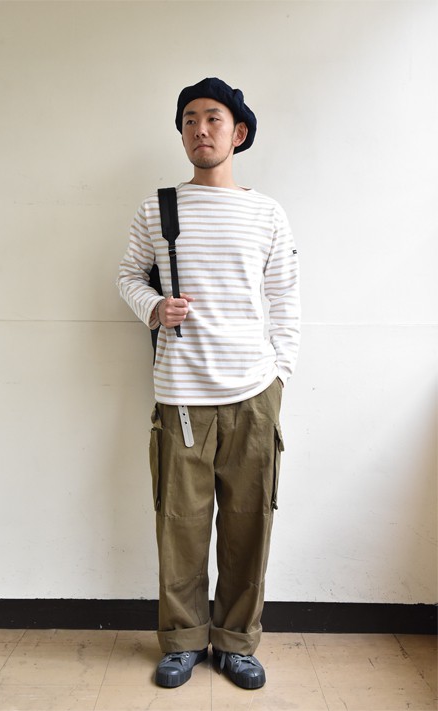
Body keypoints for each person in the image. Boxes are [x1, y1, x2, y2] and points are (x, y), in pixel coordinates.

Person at [118, 77, 300, 690]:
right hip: (180, 394)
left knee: (249, 523)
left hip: (253, 393)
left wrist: (280, 374)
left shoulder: (267, 213)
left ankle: (237, 643)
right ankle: (183, 641)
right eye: (190, 119)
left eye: (213, 118)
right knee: (181, 524)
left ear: (238, 132)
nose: (201, 129)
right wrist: (153, 307)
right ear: (182, 134)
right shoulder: (158, 207)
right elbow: (127, 275)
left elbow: (285, 299)